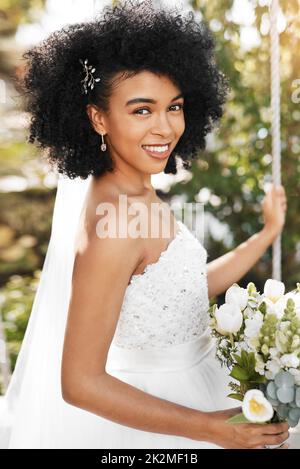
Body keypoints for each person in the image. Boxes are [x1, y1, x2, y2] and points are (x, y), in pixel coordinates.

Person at [0, 0, 289, 449]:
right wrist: (209, 427)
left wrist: (266, 234)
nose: (165, 128)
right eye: (141, 110)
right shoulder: (115, 221)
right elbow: (79, 383)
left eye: (174, 106)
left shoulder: (132, 191)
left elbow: (180, 288)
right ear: (98, 117)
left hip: (200, 390)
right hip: (166, 420)